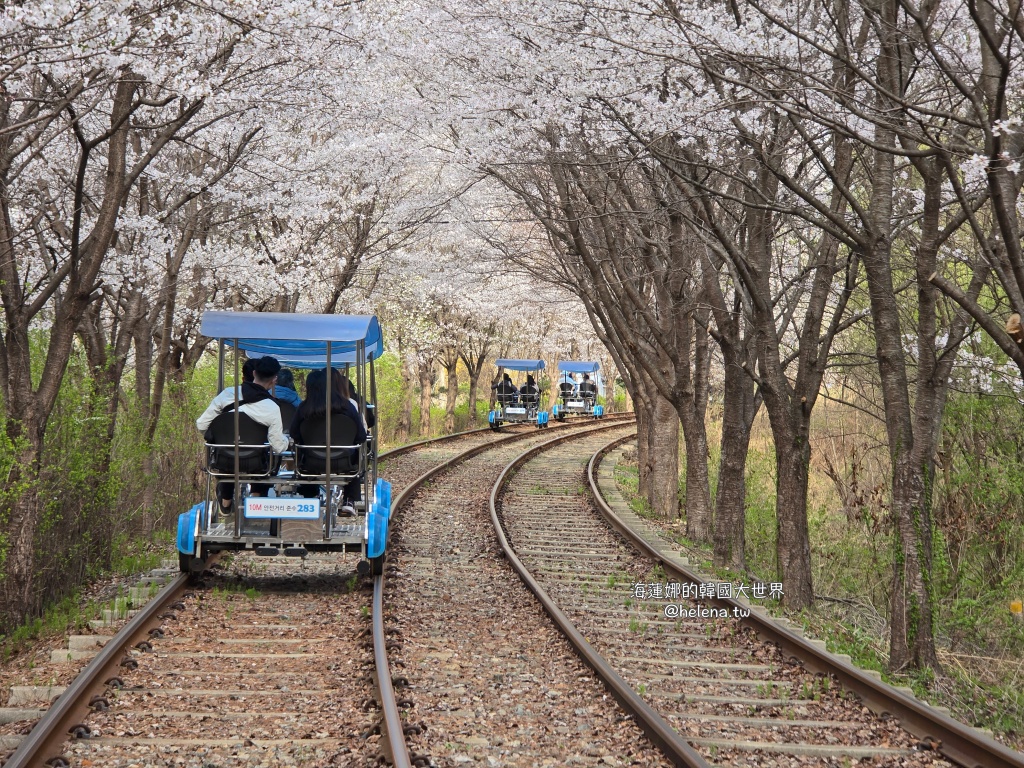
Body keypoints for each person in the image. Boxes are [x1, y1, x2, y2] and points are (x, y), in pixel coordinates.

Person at [197, 355, 288, 518]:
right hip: (256, 463)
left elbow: (202, 425)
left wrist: (219, 437)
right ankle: (256, 498)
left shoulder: (227, 395)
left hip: (224, 460)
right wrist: (288, 441)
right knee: (269, 455)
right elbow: (278, 446)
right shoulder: (272, 407)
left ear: (254, 373)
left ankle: (225, 503)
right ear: (274, 380)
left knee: (228, 456)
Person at [290, 368, 367, 515]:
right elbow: (361, 436)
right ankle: (349, 500)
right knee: (357, 454)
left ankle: (310, 496)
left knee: (302, 452)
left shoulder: (303, 408)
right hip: (344, 462)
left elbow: (294, 434)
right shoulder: (348, 406)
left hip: (311, 463)